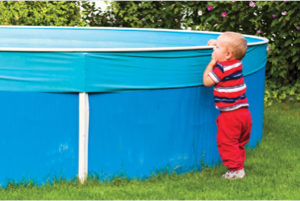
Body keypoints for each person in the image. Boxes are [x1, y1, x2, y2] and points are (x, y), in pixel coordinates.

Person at [202, 32, 252, 179]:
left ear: (228, 54)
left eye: (216, 47)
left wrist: (211, 64)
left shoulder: (221, 69)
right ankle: (239, 166)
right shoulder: (237, 64)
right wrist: (215, 46)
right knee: (238, 142)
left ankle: (235, 170)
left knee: (227, 143)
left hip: (230, 116)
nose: (214, 50)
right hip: (244, 113)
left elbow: (207, 82)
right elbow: (224, 54)